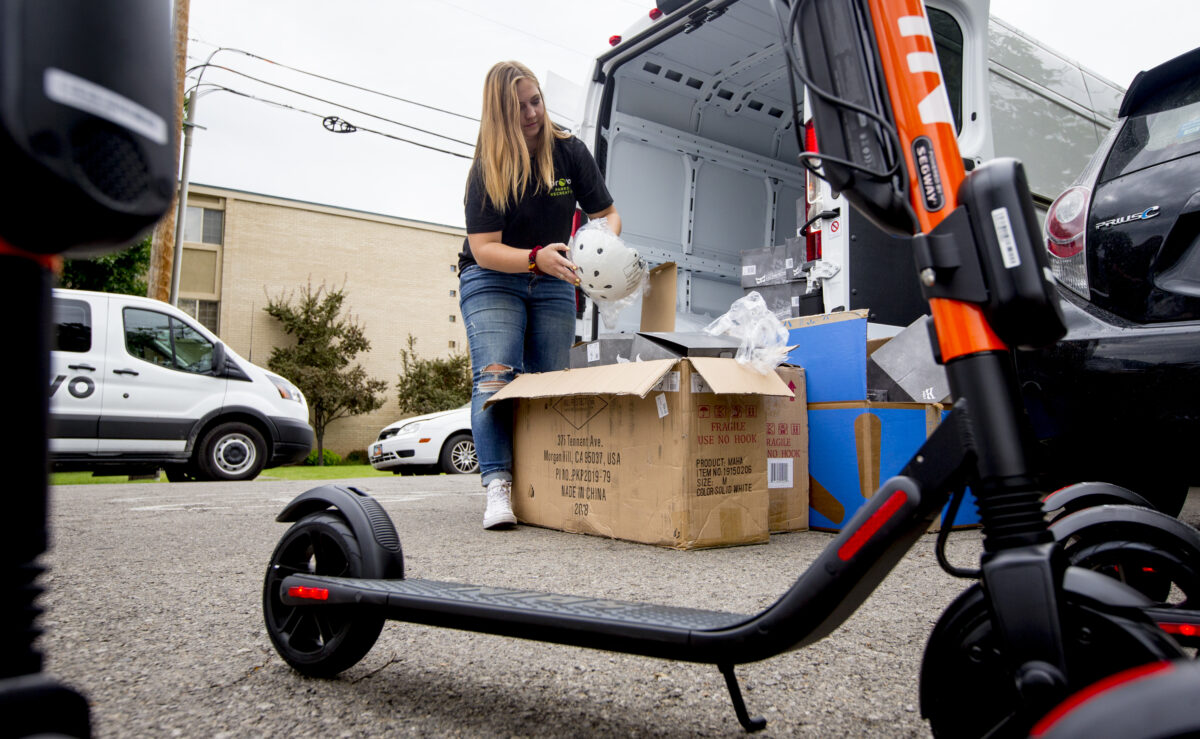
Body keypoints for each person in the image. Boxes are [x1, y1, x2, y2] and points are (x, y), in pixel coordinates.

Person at [459, 61, 621, 530]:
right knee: (496, 378)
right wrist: (534, 258)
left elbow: (608, 214)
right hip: (492, 277)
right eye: (519, 108)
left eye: (536, 101)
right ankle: (498, 485)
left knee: (549, 385)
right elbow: (484, 249)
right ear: (500, 113)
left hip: (553, 278)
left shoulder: (568, 151)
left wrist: (597, 247)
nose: (532, 114)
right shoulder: (487, 168)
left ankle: (544, 486)